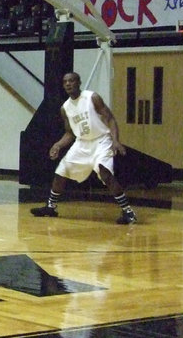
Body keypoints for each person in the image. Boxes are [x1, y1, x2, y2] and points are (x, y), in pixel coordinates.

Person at [31, 71, 137, 225]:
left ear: (79, 83)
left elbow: (110, 118)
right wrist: (58, 145)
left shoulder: (92, 98)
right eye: (65, 81)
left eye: (72, 81)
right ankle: (50, 207)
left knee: (105, 172)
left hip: (101, 140)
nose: (68, 84)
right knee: (61, 171)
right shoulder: (65, 108)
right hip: (82, 143)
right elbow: (70, 133)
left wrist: (115, 140)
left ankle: (128, 212)